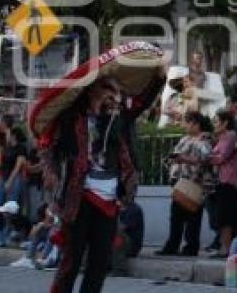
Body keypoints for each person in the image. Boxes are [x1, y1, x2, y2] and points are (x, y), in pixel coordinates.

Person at [29, 41, 166, 293]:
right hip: (78, 197)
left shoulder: (117, 121)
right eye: (107, 89)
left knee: (100, 263)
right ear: (91, 90)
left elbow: (141, 103)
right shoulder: (71, 120)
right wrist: (49, 171)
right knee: (71, 262)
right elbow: (47, 144)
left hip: (109, 198)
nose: (114, 96)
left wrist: (159, 79)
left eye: (116, 92)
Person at [156, 110, 213, 257]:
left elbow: (206, 158)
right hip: (180, 182)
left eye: (187, 122)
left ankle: (190, 247)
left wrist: (184, 159)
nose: (184, 125)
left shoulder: (204, 139)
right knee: (176, 215)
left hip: (195, 181)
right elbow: (176, 154)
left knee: (193, 215)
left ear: (196, 124)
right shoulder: (184, 139)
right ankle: (172, 245)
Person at [207, 110, 237, 257]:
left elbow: (221, 158)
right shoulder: (220, 138)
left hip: (229, 181)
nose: (214, 124)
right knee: (220, 216)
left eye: (217, 121)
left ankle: (226, 248)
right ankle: (223, 246)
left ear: (225, 122)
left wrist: (208, 157)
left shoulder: (231, 136)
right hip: (220, 181)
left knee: (226, 217)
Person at [0, 126, 27, 247]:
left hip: (14, 178)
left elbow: (18, 166)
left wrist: (10, 180)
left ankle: (5, 235)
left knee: (9, 208)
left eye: (8, 134)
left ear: (14, 135)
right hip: (2, 177)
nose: (6, 136)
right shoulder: (5, 148)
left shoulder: (21, 148)